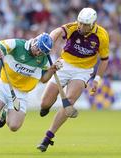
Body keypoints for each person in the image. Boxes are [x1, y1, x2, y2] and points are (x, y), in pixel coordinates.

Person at [0, 33, 63, 153]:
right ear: (34, 42)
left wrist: (52, 69)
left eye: (42, 52)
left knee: (14, 126)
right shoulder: (17, 44)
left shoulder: (43, 59)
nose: (39, 53)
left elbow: (44, 80)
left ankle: (5, 112)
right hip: (4, 85)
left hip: (21, 93)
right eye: (38, 49)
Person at [37, 8, 109, 152]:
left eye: (85, 25)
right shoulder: (74, 27)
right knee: (45, 103)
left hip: (83, 70)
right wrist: (50, 41)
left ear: (93, 23)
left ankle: (47, 137)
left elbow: (104, 59)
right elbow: (58, 31)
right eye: (80, 23)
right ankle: (46, 107)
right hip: (64, 64)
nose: (81, 27)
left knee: (68, 102)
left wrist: (97, 79)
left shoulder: (102, 35)